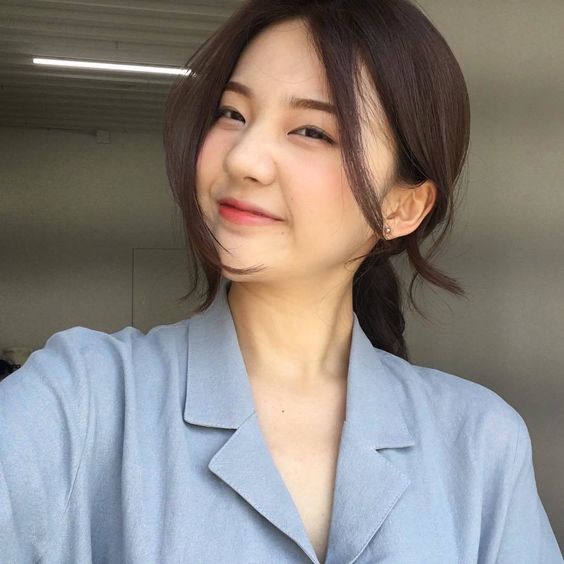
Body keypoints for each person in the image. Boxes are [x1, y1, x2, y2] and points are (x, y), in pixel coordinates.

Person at [1, 1, 562, 563]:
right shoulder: (77, 401)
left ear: (403, 206)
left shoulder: (479, 442)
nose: (243, 158)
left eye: (312, 131)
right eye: (232, 114)